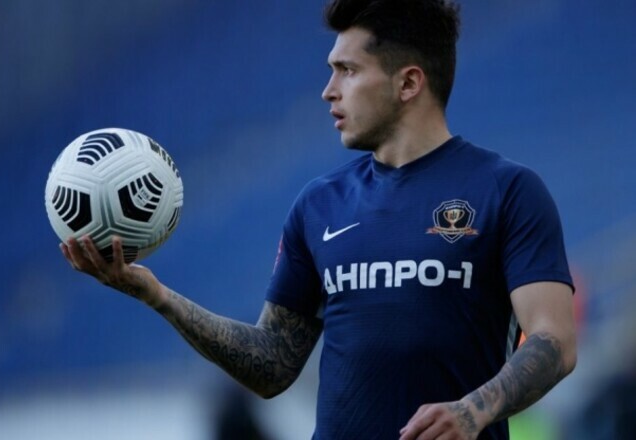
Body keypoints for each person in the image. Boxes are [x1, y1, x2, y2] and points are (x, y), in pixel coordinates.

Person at [60, 0, 577, 438]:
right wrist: (159, 297)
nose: (329, 90)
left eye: (347, 70)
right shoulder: (319, 204)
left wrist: (473, 410)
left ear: (408, 83)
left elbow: (556, 341)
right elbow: (272, 364)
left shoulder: (507, 191)